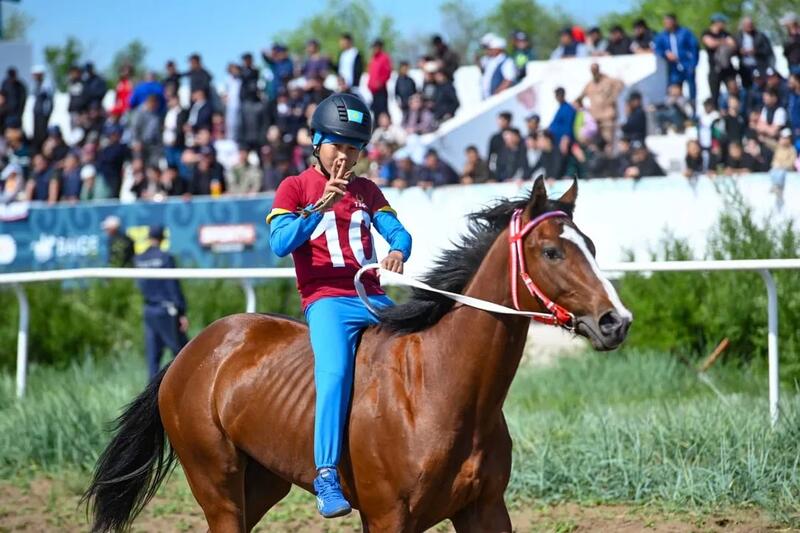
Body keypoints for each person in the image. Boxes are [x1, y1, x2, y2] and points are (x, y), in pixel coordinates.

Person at [265, 93, 412, 518]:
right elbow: (280, 243)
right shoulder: (294, 187)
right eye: (337, 145)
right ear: (316, 143)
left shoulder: (367, 190)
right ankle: (326, 474)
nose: (345, 156)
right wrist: (319, 207)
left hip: (373, 296)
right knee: (335, 374)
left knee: (419, 350)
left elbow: (399, 232)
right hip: (326, 300)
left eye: (353, 147)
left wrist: (398, 250)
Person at [134, 226, 189, 380]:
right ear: (163, 239)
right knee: (183, 354)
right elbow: (173, 286)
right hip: (167, 310)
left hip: (149, 310)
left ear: (148, 238)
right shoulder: (166, 258)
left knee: (153, 360)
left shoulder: (139, 259)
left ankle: (152, 395)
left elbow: (141, 285)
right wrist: (182, 311)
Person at [654, 14, 700, 112]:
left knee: (692, 90)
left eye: (669, 22)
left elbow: (694, 47)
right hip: (673, 68)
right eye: (665, 22)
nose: (667, 24)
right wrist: (666, 54)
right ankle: (677, 112)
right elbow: (657, 48)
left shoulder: (685, 33)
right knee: (674, 90)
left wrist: (693, 64)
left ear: (674, 21)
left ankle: (693, 111)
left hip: (687, 65)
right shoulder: (662, 36)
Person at [579, 63, 624, 153]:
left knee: (608, 142)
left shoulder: (608, 81)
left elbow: (620, 85)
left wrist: (611, 98)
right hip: (594, 120)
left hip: (607, 117)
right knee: (591, 143)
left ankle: (608, 159)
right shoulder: (590, 84)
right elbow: (580, 98)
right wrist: (584, 109)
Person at [703, 14, 738, 108]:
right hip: (715, 69)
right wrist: (723, 42)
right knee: (715, 94)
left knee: (733, 89)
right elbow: (710, 43)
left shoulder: (726, 34)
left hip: (727, 68)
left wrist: (720, 42)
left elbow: (733, 45)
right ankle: (716, 111)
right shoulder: (707, 33)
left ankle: (733, 110)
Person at [736, 16, 774, 91]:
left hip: (759, 66)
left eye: (750, 24)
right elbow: (734, 50)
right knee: (747, 88)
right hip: (745, 68)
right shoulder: (738, 37)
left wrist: (756, 51)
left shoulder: (760, 35)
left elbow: (768, 50)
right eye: (747, 25)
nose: (749, 26)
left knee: (762, 87)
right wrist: (740, 51)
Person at [30, 65, 53, 153]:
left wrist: (46, 113)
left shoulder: (46, 85)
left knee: (42, 135)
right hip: (37, 113)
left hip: (42, 115)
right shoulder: (36, 85)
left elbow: (48, 101)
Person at [367, 39, 392, 117]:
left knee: (383, 111)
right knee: (375, 111)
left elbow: (387, 72)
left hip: (381, 89)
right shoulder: (373, 58)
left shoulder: (384, 58)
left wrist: (380, 82)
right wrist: (370, 84)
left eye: (375, 47)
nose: (374, 49)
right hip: (373, 90)